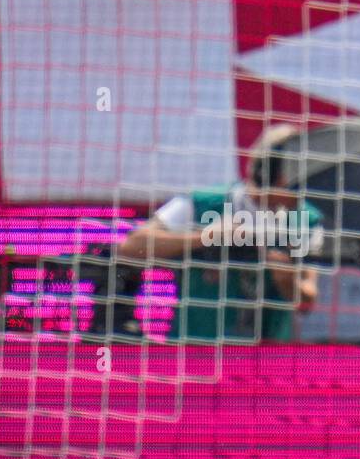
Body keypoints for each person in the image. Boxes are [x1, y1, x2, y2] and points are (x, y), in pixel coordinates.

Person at [118, 124, 324, 343]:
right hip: (197, 350)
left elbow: (306, 303)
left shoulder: (306, 219)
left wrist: (287, 280)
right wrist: (205, 237)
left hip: (266, 356)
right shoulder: (203, 203)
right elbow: (131, 247)